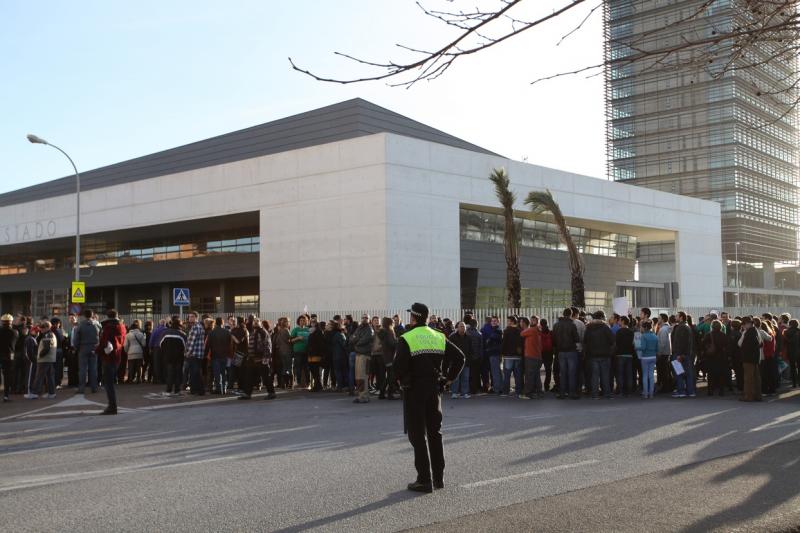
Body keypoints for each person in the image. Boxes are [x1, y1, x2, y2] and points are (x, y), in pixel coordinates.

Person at [394, 302, 465, 493]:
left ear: (414, 317)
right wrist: (448, 379)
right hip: (435, 390)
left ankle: (424, 480)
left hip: (415, 391)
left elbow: (398, 367)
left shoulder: (407, 337)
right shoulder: (438, 336)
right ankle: (439, 479)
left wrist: (402, 380)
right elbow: (460, 358)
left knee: (418, 435)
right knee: (435, 433)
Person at [97, 310, 126, 414]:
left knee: (108, 383)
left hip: (108, 357)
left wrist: (96, 350)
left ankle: (112, 406)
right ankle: (112, 406)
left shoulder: (108, 328)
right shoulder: (122, 327)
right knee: (111, 382)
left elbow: (104, 343)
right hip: (117, 356)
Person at [584, 311, 614, 400]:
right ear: (601, 317)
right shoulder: (605, 327)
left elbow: (585, 341)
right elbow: (612, 340)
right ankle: (607, 394)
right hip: (605, 355)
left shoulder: (588, 328)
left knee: (594, 376)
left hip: (592, 356)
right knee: (605, 375)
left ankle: (594, 394)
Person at [553, 308, 580, 400]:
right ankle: (572, 393)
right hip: (571, 351)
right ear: (570, 314)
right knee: (571, 373)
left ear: (563, 314)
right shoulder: (572, 325)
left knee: (563, 373)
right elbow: (577, 339)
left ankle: (562, 393)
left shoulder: (556, 325)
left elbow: (554, 339)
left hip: (560, 352)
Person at [160, 317, 187, 397]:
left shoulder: (165, 333)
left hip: (168, 357)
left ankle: (168, 390)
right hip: (179, 357)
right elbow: (186, 347)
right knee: (178, 374)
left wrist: (165, 352)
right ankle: (177, 390)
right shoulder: (182, 334)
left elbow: (160, 344)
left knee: (170, 374)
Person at [738, 317, 762, 402]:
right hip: (755, 358)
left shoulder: (749, 333)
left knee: (748, 378)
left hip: (748, 358)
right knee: (756, 378)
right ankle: (757, 395)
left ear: (748, 323)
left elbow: (742, 345)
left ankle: (748, 396)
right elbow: (760, 344)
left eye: (744, 324)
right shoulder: (756, 331)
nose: (743, 326)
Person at [207, 317, 232, 394]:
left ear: (215, 323)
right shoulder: (227, 332)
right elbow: (230, 344)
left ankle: (219, 388)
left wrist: (206, 355)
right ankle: (224, 388)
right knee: (223, 372)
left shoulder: (211, 332)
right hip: (224, 355)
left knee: (217, 373)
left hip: (215, 355)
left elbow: (208, 345)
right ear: (222, 323)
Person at [520, 316, 543, 399]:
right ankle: (539, 392)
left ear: (537, 321)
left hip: (530, 356)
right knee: (536, 375)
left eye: (534, 320)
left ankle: (527, 393)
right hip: (538, 356)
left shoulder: (532, 330)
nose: (532, 321)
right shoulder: (539, 330)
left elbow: (522, 334)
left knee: (529, 376)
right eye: (532, 320)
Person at [703, 320, 728, 396]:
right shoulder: (724, 335)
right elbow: (727, 346)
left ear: (712, 326)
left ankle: (710, 390)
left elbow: (704, 345)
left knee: (710, 374)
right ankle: (721, 391)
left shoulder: (708, 335)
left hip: (711, 357)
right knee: (721, 375)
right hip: (721, 357)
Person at [448, 321, 472, 399]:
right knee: (455, 378)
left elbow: (471, 349)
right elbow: (449, 349)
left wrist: (470, 358)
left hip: (466, 361)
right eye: (461, 326)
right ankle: (454, 392)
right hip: (455, 361)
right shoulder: (452, 337)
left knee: (465, 377)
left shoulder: (469, 337)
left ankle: (464, 393)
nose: (463, 328)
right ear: (457, 328)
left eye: (464, 326)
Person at [184, 312, 206, 396]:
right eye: (189, 317)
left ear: (196, 318)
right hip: (199, 353)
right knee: (196, 372)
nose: (190, 318)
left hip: (194, 353)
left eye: (192, 317)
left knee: (194, 373)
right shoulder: (200, 326)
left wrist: (187, 353)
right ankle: (198, 390)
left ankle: (197, 390)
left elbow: (191, 342)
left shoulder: (194, 327)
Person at [378, 317, 399, 400]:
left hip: (385, 356)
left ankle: (382, 393)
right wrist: (397, 341)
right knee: (391, 376)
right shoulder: (389, 332)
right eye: (393, 322)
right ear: (390, 323)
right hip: (390, 356)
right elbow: (392, 343)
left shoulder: (383, 331)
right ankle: (390, 394)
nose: (394, 323)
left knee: (389, 375)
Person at [500, 316, 522, 397]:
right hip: (517, 356)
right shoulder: (519, 330)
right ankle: (518, 391)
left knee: (507, 375)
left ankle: (506, 391)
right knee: (518, 375)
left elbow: (504, 342)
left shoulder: (507, 331)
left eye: (508, 321)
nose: (507, 322)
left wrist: (502, 353)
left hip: (508, 356)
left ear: (512, 322)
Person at [614, 316, 635, 397]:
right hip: (629, 355)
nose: (618, 322)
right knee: (629, 374)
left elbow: (616, 343)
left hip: (620, 354)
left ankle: (621, 391)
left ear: (622, 321)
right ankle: (629, 391)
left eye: (619, 320)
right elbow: (633, 343)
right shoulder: (631, 331)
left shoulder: (619, 332)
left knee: (620, 374)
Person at [0, 314, 19, 402]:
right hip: (9, 355)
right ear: (10, 322)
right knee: (7, 376)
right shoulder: (15, 332)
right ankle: (6, 395)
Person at [482, 316, 503, 394]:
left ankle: (497, 389)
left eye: (495, 321)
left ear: (498, 322)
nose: (493, 322)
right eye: (492, 321)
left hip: (494, 353)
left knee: (495, 372)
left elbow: (490, 340)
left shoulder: (497, 330)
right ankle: (500, 387)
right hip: (495, 353)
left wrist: (489, 340)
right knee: (498, 372)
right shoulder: (496, 330)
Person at [289, 315, 310, 389]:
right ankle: (298, 383)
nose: (302, 322)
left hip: (306, 351)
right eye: (301, 320)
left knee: (307, 368)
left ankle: (308, 383)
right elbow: (290, 340)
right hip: (297, 351)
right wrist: (298, 338)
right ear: (298, 321)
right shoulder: (295, 330)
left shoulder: (308, 329)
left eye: (304, 320)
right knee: (298, 368)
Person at [639, 321, 658, 398]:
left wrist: (637, 347)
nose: (641, 329)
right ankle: (651, 394)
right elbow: (657, 348)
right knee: (651, 375)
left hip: (645, 357)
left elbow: (643, 348)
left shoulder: (643, 336)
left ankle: (646, 394)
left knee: (645, 376)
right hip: (653, 357)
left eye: (642, 327)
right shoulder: (655, 336)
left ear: (645, 328)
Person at [123, 320, 146, 384]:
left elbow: (125, 345)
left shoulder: (128, 335)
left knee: (131, 367)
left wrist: (126, 351)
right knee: (139, 366)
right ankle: (139, 379)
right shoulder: (141, 334)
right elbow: (144, 344)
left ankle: (130, 379)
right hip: (139, 352)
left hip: (131, 352)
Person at [540, 319, 555, 392]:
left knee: (537, 370)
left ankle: (538, 386)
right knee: (548, 371)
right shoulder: (550, 332)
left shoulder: (539, 332)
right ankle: (546, 386)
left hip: (540, 353)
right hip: (549, 353)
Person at [784, 319, 799, 388]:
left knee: (792, 367)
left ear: (790, 324)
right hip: (799, 351)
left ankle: (794, 383)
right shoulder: (799, 331)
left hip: (791, 351)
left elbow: (785, 342)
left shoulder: (786, 332)